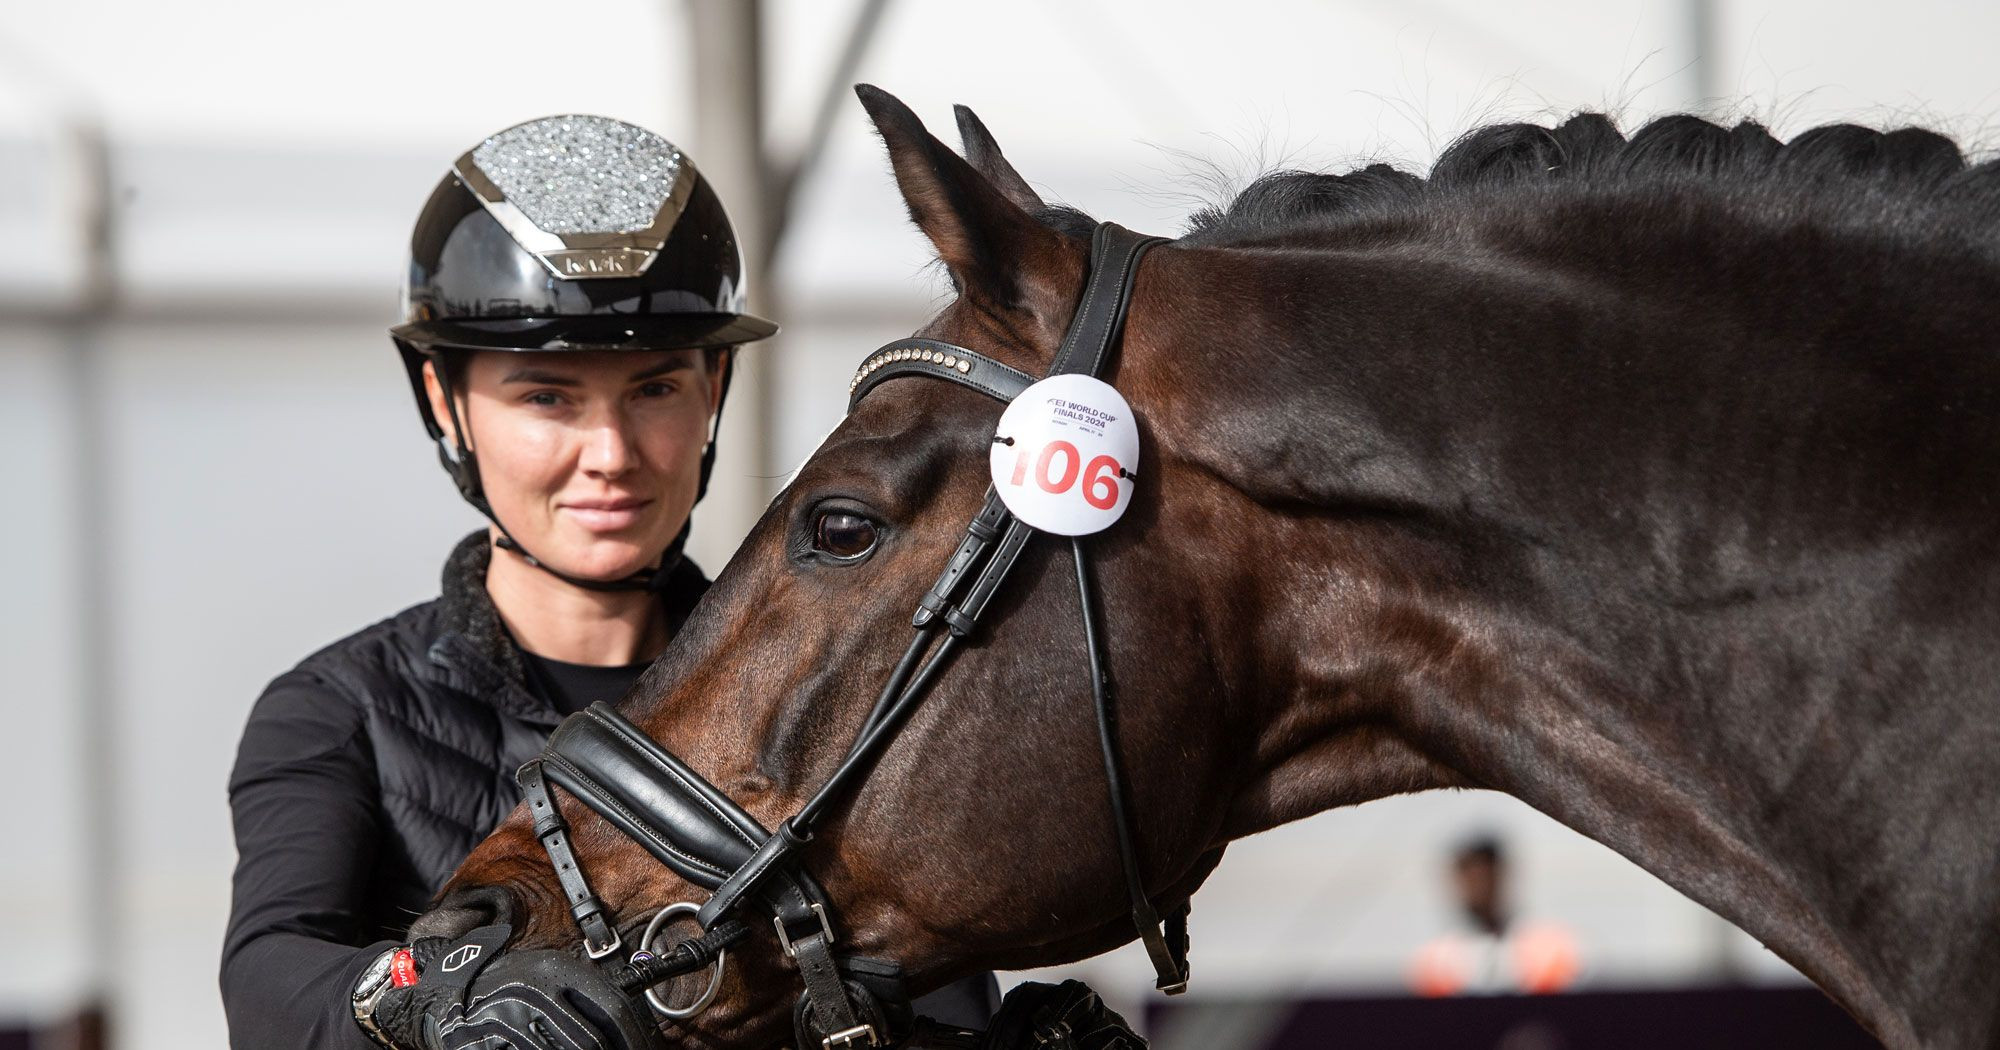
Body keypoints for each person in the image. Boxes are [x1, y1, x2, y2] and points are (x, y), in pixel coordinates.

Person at [220, 114, 999, 1050]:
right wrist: (424, 1000)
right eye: (547, 397)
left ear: (715, 385)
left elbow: (938, 992)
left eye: (655, 389)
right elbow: (271, 978)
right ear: (443, 400)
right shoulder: (338, 712)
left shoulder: (839, 691)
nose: (613, 455)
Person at [1409, 835, 1581, 997]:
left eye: (1485, 875)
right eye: (1470, 877)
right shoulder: (1436, 961)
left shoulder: (1550, 948)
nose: (1479, 886)